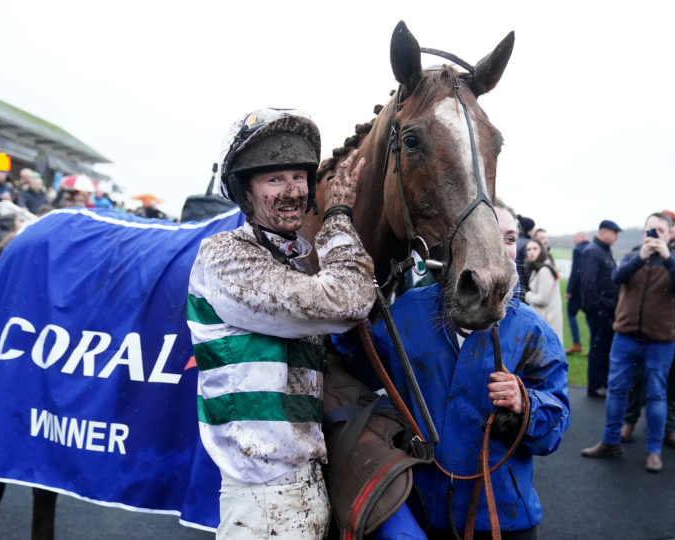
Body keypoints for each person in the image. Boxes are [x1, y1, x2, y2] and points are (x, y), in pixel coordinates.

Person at [187, 109, 375, 538]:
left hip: (305, 485)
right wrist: (339, 214)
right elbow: (348, 300)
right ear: (245, 192)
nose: (291, 191)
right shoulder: (225, 257)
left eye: (298, 177)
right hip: (262, 496)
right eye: (274, 180)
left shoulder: (294, 263)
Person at [339, 199, 569, 539]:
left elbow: (554, 429)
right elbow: (363, 370)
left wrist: (527, 404)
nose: (500, 247)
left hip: (502, 518)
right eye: (489, 235)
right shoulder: (409, 312)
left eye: (509, 238)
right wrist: (347, 313)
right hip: (418, 513)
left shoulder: (532, 331)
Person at [582, 212, 675, 473]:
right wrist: (642, 256)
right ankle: (610, 441)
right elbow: (617, 277)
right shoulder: (633, 255)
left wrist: (665, 256)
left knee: (656, 394)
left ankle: (653, 451)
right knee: (617, 389)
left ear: (670, 234)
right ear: (643, 234)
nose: (653, 236)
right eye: (649, 231)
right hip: (626, 335)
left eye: (659, 231)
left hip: (661, 340)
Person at [620, 210, 675, 452]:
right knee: (640, 382)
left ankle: (670, 430)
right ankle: (630, 422)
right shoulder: (653, 254)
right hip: (655, 328)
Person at [580, 219, 622, 398]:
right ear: (604, 231)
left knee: (604, 348)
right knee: (598, 348)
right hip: (600, 310)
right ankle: (596, 386)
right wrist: (599, 307)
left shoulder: (603, 251)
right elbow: (588, 283)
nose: (617, 237)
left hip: (606, 309)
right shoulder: (593, 252)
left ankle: (602, 383)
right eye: (615, 233)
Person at [524, 237, 563, 341]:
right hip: (542, 319)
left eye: (535, 248)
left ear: (541, 250)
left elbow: (542, 300)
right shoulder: (537, 268)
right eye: (528, 249)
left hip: (547, 320)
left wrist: (527, 295)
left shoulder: (544, 270)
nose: (531, 252)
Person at [565, 231, 589, 354]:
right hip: (589, 290)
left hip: (577, 290)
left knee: (570, 314)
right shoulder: (592, 248)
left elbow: (576, 271)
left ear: (582, 237)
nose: (574, 239)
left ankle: (576, 343)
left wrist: (569, 290)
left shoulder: (578, 250)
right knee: (590, 317)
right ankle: (593, 345)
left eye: (575, 236)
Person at [515, 214, 535, 302]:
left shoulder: (515, 241)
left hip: (516, 285)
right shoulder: (529, 244)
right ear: (529, 229)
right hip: (524, 288)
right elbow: (527, 269)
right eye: (533, 228)